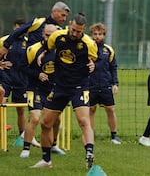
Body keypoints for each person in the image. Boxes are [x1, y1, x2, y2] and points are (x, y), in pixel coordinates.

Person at [30, 13, 98, 169]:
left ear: (84, 30)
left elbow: (93, 59)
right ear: (69, 25)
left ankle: (89, 153)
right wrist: (42, 54)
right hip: (60, 86)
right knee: (46, 123)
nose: (75, 34)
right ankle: (46, 161)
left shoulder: (88, 43)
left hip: (79, 86)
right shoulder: (57, 36)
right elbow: (48, 47)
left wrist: (92, 64)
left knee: (83, 120)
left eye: (79, 32)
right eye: (73, 30)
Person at [20, 24, 65, 158]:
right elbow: (22, 67)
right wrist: (37, 74)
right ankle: (26, 149)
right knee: (34, 118)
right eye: (47, 35)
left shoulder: (61, 50)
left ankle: (54, 145)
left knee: (56, 120)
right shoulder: (33, 49)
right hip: (35, 88)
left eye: (52, 35)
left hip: (53, 90)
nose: (49, 38)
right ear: (42, 34)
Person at [0, 18, 41, 146]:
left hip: (21, 80)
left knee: (21, 110)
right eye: (18, 28)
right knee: (2, 106)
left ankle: (22, 135)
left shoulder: (29, 43)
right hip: (5, 78)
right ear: (14, 28)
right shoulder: (4, 41)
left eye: (23, 28)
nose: (20, 31)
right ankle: (2, 135)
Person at [0, 1, 70, 57]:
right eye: (63, 15)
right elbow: (18, 31)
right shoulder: (39, 22)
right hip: (29, 62)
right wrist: (6, 46)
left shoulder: (59, 30)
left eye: (66, 16)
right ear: (54, 11)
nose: (64, 19)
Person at [89, 23, 120, 145]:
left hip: (105, 85)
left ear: (104, 35)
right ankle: (90, 135)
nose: (97, 36)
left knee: (110, 110)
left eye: (100, 34)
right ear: (91, 35)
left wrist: (115, 83)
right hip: (91, 85)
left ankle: (114, 136)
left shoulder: (109, 50)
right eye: (95, 34)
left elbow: (113, 67)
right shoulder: (87, 48)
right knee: (91, 110)